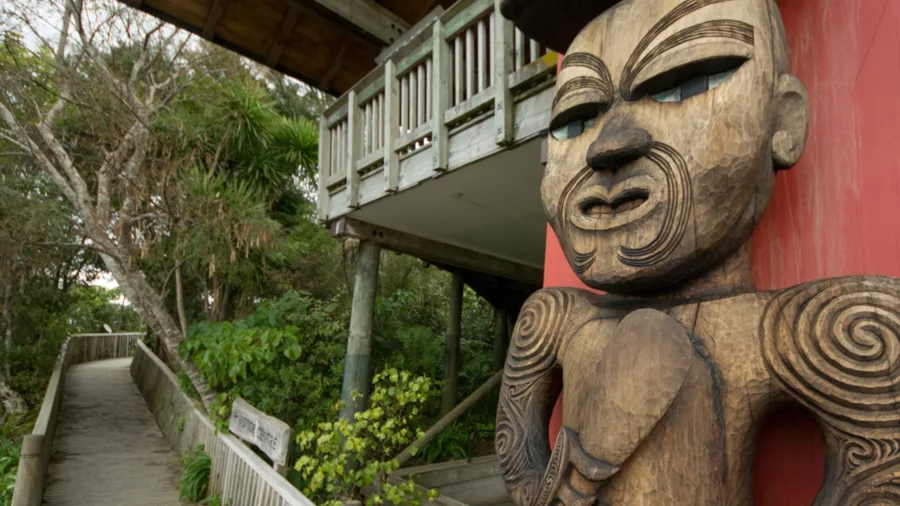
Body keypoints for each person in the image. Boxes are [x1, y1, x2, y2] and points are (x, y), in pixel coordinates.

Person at [496, 0, 900, 504]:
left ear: (784, 122)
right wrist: (541, 490)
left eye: (686, 82)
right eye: (575, 120)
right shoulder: (554, 318)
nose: (606, 145)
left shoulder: (795, 330)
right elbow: (518, 450)